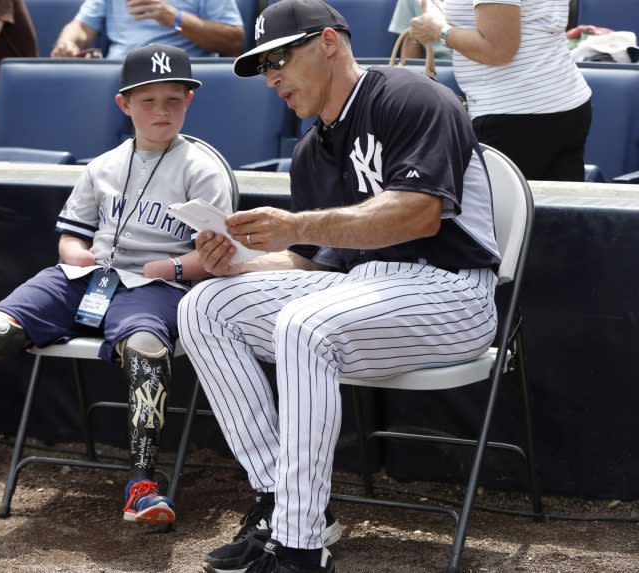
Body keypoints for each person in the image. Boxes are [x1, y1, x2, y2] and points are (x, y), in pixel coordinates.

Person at [177, 0, 501, 571]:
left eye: (281, 56)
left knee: (304, 326)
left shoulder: (409, 97)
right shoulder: (310, 151)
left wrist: (296, 225)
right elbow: (317, 264)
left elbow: (419, 215)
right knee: (206, 305)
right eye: (261, 65)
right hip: (363, 288)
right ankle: (283, 500)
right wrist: (240, 266)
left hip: (452, 291)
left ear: (329, 41)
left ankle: (300, 550)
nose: (272, 74)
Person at [0, 43, 232, 527]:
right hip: (86, 277)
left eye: (174, 99)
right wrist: (71, 253)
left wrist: (172, 269)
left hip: (155, 288)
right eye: (148, 100)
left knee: (146, 351)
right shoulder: (102, 166)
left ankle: (143, 483)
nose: (162, 110)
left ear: (190, 102)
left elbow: (215, 254)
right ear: (124, 104)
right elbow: (73, 231)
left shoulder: (201, 168)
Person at [410, 0, 592, 181]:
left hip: (515, 114)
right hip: (560, 100)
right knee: (553, 207)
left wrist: (438, 29)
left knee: (501, 208)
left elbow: (498, 49)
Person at [51, 0, 244, 60]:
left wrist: (174, 18)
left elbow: (234, 41)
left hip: (180, 76)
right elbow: (81, 27)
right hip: (120, 78)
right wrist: (67, 43)